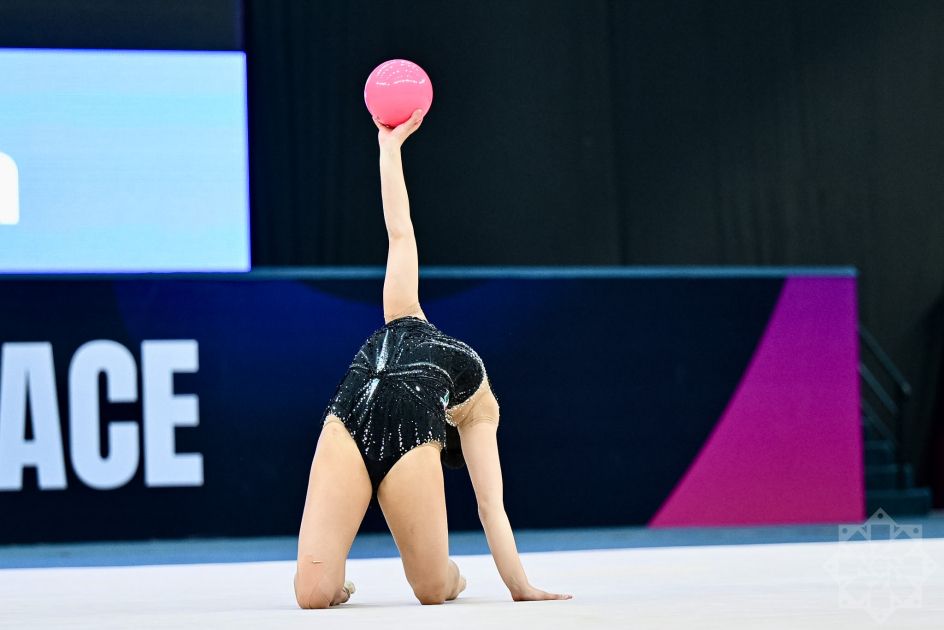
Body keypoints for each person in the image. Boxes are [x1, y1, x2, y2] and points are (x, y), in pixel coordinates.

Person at [293, 109, 573, 608]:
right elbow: (400, 232)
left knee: (431, 590)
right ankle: (340, 583)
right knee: (313, 594)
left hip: (409, 447)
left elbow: (490, 505)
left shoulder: (478, 414)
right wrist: (389, 148)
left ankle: (453, 578)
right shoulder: (406, 312)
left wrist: (519, 586)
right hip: (346, 422)